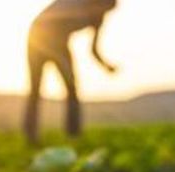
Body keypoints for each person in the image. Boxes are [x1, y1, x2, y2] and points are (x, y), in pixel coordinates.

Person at [25, 0, 119, 144]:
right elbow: (50, 29)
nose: (102, 12)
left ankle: (73, 134)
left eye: (107, 11)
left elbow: (93, 50)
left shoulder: (98, 18)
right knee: (36, 88)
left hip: (60, 41)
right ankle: (30, 134)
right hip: (37, 36)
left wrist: (106, 65)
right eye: (102, 8)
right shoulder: (74, 5)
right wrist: (60, 59)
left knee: (72, 88)